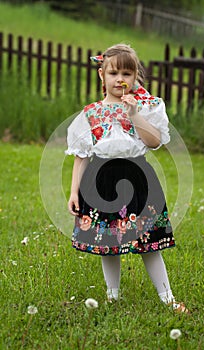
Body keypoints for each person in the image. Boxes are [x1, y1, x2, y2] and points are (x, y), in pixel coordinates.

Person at [65, 44, 188, 313]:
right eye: (113, 73)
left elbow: (154, 142)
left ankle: (167, 299)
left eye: (127, 73)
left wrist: (134, 115)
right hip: (101, 181)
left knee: (148, 244)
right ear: (102, 75)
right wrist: (74, 192)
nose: (120, 79)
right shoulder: (91, 113)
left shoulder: (144, 108)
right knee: (108, 243)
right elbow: (81, 156)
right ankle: (112, 296)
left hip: (138, 177)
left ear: (135, 78)